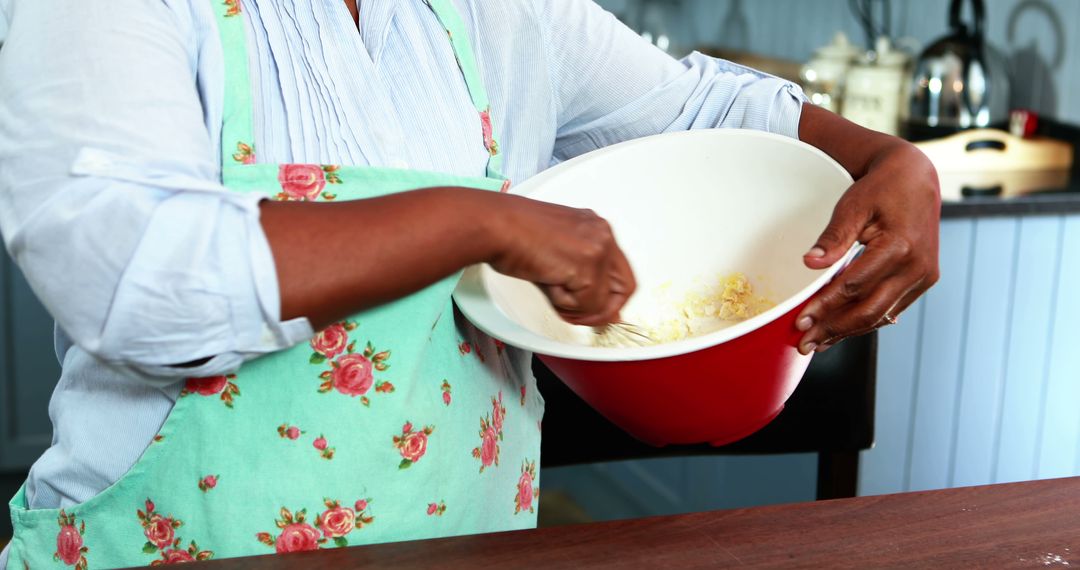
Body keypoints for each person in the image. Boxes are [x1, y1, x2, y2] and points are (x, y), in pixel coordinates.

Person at [0, 0, 939, 566]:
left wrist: (889, 159)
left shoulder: (495, 11)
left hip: (469, 548)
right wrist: (477, 221)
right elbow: (129, 279)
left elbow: (704, 107)